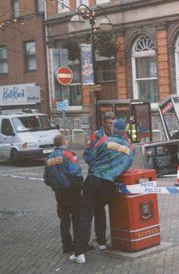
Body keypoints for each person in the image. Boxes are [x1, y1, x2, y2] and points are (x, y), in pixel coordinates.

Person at [70, 119, 135, 263]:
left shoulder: (104, 141)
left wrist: (97, 166)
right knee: (99, 211)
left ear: (114, 129)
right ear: (124, 132)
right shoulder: (130, 149)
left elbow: (90, 156)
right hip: (109, 185)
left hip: (94, 180)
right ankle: (101, 242)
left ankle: (79, 252)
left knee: (86, 215)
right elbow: (127, 165)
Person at [43, 134, 83, 254]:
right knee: (77, 219)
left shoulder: (49, 158)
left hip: (59, 193)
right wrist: (80, 186)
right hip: (72, 192)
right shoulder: (68, 155)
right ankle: (78, 245)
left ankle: (67, 246)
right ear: (64, 143)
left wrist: (55, 186)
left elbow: (46, 179)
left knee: (64, 220)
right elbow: (76, 173)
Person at [83, 111, 115, 250]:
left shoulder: (118, 136)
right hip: (97, 178)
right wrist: (98, 165)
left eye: (113, 123)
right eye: (109, 123)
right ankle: (101, 240)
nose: (111, 126)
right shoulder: (96, 136)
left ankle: (114, 237)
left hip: (112, 179)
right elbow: (86, 155)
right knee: (97, 210)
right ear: (104, 123)